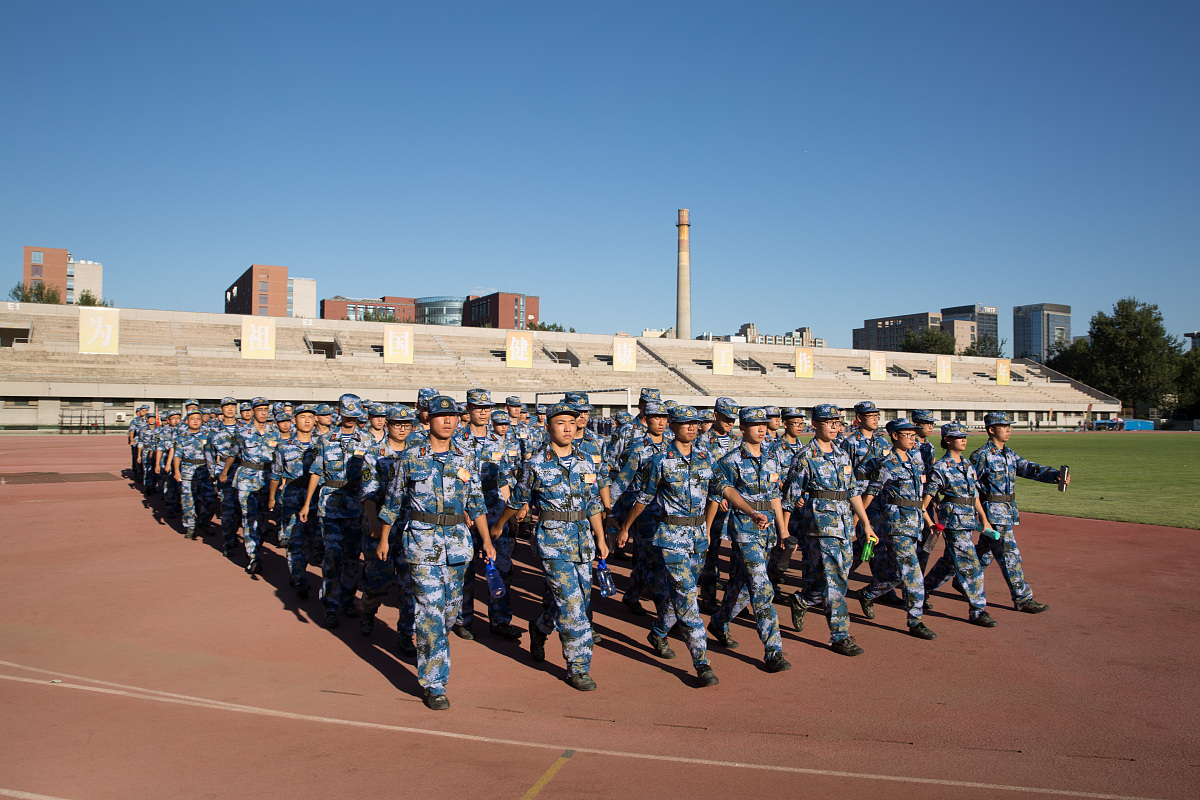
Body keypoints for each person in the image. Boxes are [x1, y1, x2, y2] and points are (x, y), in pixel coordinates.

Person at [617, 405, 769, 688]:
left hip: (698, 536)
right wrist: (625, 527)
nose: (691, 427)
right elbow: (644, 497)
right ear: (673, 426)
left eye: (695, 423)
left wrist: (750, 512)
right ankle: (702, 662)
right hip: (672, 536)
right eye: (684, 423)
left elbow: (723, 489)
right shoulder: (659, 460)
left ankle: (659, 631)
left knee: (682, 591)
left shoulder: (706, 458)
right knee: (688, 597)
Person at [376, 395, 494, 710]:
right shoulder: (411, 457)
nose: (448, 421)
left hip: (457, 543)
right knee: (430, 613)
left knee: (450, 613)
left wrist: (487, 540)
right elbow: (393, 499)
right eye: (441, 416)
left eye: (453, 416)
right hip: (422, 544)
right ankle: (434, 685)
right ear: (428, 420)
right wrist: (384, 538)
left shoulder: (466, 457)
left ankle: (433, 651)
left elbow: (477, 502)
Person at [492, 402, 609, 691]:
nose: (568, 427)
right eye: (560, 423)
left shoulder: (586, 461)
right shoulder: (536, 463)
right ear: (548, 428)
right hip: (553, 542)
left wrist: (601, 538)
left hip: (583, 540)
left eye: (572, 422)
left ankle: (541, 626)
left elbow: (592, 503)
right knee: (571, 606)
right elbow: (518, 498)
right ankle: (578, 667)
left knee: (577, 601)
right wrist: (498, 526)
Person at [783, 404, 879, 656]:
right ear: (815, 425)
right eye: (829, 422)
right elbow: (789, 498)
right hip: (821, 528)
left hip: (845, 525)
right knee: (836, 580)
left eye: (837, 423)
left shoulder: (842, 455)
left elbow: (853, 492)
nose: (835, 427)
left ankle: (802, 600)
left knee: (837, 576)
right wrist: (782, 530)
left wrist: (865, 523)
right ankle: (839, 635)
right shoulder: (804, 456)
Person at [706, 407, 792, 673]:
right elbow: (722, 493)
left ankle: (719, 621)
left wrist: (782, 529)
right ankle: (773, 650)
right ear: (742, 429)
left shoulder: (772, 457)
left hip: (766, 530)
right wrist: (709, 530)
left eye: (764, 424)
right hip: (744, 528)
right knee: (762, 588)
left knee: (745, 585)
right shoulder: (729, 461)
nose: (761, 428)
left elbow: (775, 494)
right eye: (754, 424)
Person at [970, 412, 1068, 614]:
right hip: (993, 514)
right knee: (1010, 555)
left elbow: (1027, 468)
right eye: (1003, 426)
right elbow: (970, 486)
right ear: (991, 430)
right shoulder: (981, 456)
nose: (1008, 430)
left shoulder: (1008, 454)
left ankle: (954, 579)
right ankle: (1023, 598)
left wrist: (1054, 476)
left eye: (1009, 426)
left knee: (984, 554)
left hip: (1006, 511)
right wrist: (978, 514)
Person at [859, 418, 936, 640]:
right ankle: (915, 620)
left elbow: (917, 500)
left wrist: (928, 520)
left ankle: (868, 593)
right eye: (908, 435)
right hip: (896, 524)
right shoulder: (887, 464)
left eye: (914, 435)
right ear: (895, 436)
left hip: (915, 523)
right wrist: (862, 522)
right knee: (913, 573)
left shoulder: (915, 462)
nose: (913, 438)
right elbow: (870, 494)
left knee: (897, 573)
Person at [453, 390, 522, 641]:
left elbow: (503, 477)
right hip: (465, 512)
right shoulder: (457, 440)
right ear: (468, 410)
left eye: (486, 408)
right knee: (465, 570)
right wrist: (461, 509)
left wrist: (509, 512)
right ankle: (464, 619)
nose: (482, 412)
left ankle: (500, 620)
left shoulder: (498, 441)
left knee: (502, 568)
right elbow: (453, 478)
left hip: (493, 510)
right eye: (477, 407)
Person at [302, 394, 371, 627]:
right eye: (347, 414)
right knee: (333, 557)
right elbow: (316, 471)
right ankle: (330, 605)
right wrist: (307, 503)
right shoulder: (325, 439)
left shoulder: (368, 440)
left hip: (356, 506)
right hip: (330, 506)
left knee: (352, 557)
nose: (350, 419)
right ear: (339, 413)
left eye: (354, 415)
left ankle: (348, 600)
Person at [921, 423, 997, 627]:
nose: (963, 440)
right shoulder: (940, 468)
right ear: (947, 440)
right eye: (958, 437)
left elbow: (974, 495)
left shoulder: (967, 465)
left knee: (949, 563)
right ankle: (977, 609)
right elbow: (926, 499)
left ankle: (923, 590)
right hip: (953, 522)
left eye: (965, 437)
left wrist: (984, 518)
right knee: (971, 566)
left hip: (968, 519)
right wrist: (930, 522)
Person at [610, 400, 671, 616]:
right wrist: (606, 509)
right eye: (656, 418)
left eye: (664, 418)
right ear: (646, 420)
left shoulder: (673, 445)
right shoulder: (638, 448)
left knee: (647, 560)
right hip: (643, 512)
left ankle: (633, 593)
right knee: (654, 561)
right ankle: (665, 612)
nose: (661, 422)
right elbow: (622, 480)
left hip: (669, 514)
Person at [219, 397, 282, 575]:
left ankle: (256, 545)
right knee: (249, 517)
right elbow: (232, 454)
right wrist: (224, 472)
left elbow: (279, 458)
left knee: (263, 520)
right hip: (247, 478)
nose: (263, 412)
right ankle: (253, 556)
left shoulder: (274, 433)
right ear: (252, 411)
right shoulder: (242, 432)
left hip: (267, 479)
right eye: (259, 409)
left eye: (265, 410)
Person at [269, 404, 320, 600]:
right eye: (302, 417)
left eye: (310, 417)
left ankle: (299, 570)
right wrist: (272, 497)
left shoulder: (321, 444)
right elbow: (275, 473)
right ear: (294, 421)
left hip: (315, 498)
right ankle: (299, 577)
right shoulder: (284, 446)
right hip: (291, 498)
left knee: (311, 541)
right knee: (294, 539)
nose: (307, 420)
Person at [697, 396, 740, 612]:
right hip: (711, 505)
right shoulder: (702, 442)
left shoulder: (736, 442)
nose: (730, 422)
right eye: (726, 418)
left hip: (733, 507)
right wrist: (718, 495)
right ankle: (708, 595)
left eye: (733, 418)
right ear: (715, 416)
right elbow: (702, 474)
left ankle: (733, 598)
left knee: (736, 553)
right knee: (711, 552)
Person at [172, 408, 216, 540]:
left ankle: (204, 521)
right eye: (192, 419)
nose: (195, 421)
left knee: (210, 500)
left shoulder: (208, 435)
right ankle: (190, 526)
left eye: (198, 419)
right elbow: (177, 455)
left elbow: (214, 454)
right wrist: (176, 471)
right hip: (187, 472)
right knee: (187, 501)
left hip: (205, 471)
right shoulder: (182, 436)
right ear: (187, 421)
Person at [208, 397, 243, 557]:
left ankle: (235, 531)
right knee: (228, 508)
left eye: (232, 406)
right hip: (223, 471)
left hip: (243, 471)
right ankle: (228, 541)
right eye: (226, 406)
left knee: (241, 509)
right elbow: (209, 452)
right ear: (221, 409)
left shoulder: (244, 427)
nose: (230, 409)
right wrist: (212, 471)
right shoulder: (214, 429)